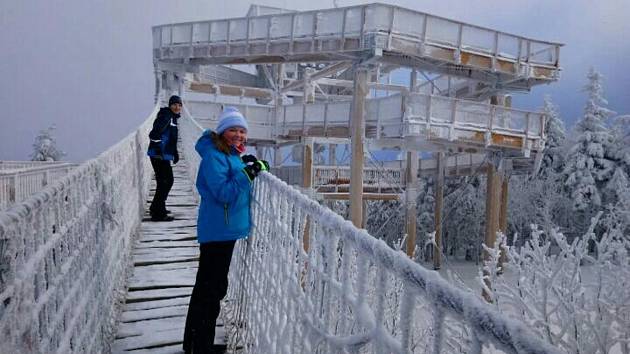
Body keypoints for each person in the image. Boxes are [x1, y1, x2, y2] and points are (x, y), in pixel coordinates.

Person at [183, 107, 269, 354]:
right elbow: (224, 193)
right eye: (233, 130)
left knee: (207, 287)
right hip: (218, 231)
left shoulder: (227, 154)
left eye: (242, 131)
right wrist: (248, 173)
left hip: (222, 229)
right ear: (222, 132)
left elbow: (232, 173)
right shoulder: (214, 157)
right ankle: (201, 347)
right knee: (212, 290)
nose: (239, 135)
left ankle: (193, 343)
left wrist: (247, 164)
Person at [147, 95, 182, 221]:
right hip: (158, 155)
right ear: (170, 105)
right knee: (166, 182)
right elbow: (154, 134)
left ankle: (156, 207)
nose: (177, 107)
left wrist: (175, 152)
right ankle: (158, 213)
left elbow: (170, 138)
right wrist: (158, 149)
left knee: (164, 182)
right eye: (174, 104)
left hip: (162, 155)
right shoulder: (166, 116)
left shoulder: (172, 117)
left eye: (179, 105)